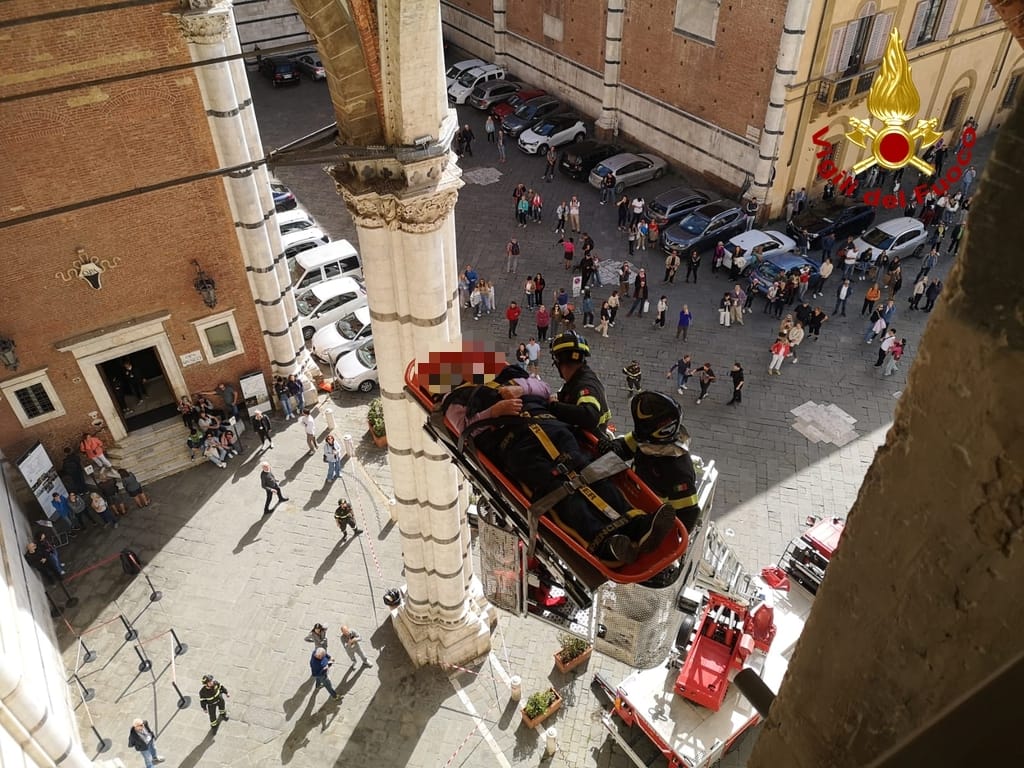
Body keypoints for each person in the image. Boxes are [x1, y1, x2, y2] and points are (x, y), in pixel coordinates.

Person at [442, 366, 674, 564]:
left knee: (588, 470)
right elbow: (463, 427)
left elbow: (543, 389)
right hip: (515, 444)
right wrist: (493, 412)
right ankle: (605, 544)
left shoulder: (510, 373)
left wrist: (521, 389)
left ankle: (638, 524)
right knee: (557, 490)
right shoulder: (457, 399)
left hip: (550, 427)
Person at [548, 332, 611, 434]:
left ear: (559, 362)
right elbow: (570, 396)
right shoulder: (578, 377)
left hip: (588, 444)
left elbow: (590, 416)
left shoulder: (585, 385)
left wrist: (554, 407)